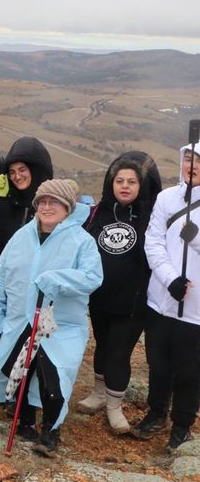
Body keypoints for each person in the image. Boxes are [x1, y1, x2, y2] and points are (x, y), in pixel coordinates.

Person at [0, 179, 103, 458]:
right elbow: (0, 275)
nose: (47, 207)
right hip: (20, 320)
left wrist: (57, 279)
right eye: (42, 202)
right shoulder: (21, 237)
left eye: (55, 202)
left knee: (53, 376)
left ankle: (50, 431)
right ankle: (25, 422)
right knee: (19, 372)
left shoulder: (81, 241)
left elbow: (92, 278)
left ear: (67, 207)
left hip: (59, 326)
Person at [77, 152, 161, 434]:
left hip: (133, 302)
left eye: (132, 181)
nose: (124, 186)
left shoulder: (152, 215)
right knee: (102, 345)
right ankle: (99, 394)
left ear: (142, 185)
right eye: (119, 181)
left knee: (119, 352)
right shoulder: (98, 212)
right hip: (100, 299)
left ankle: (114, 407)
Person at [131, 144, 199, 452]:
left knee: (189, 369)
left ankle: (182, 425)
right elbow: (153, 241)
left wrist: (195, 239)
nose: (191, 166)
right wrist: (170, 278)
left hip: (196, 308)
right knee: (157, 362)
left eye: (199, 161)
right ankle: (156, 412)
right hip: (161, 298)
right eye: (189, 159)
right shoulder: (167, 198)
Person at [0, 136, 54, 255]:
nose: (17, 177)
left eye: (22, 170)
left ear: (35, 169)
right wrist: (1, 201)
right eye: (12, 172)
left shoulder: (53, 204)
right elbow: (3, 239)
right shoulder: (13, 201)